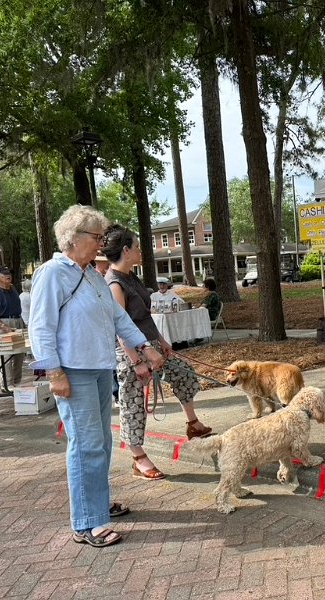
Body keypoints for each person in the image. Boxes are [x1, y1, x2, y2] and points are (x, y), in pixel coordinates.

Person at [29, 205, 165, 548]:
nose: (102, 243)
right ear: (73, 238)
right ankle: (87, 523)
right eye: (97, 236)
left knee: (101, 443)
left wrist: (145, 347)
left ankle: (97, 505)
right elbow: (40, 327)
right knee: (86, 445)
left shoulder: (92, 274)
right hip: (72, 371)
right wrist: (54, 371)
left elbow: (118, 318)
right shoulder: (52, 273)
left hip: (100, 369)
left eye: (103, 237)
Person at [104, 225, 213, 480]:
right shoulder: (114, 283)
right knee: (133, 404)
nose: (142, 250)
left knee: (184, 373)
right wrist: (135, 361)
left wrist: (162, 340)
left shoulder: (132, 276)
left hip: (150, 343)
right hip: (130, 350)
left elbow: (145, 316)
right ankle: (138, 457)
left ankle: (193, 424)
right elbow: (120, 326)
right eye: (138, 245)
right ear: (126, 250)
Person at [0, 265, 24, 387]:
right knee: (6, 355)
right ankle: (7, 384)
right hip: (4, 323)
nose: (8, 275)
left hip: (17, 321)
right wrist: (4, 327)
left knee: (20, 353)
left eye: (9, 273)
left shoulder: (13, 289)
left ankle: (17, 382)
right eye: (5, 274)